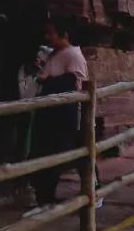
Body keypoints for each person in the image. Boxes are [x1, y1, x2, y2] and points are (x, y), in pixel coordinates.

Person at [24, 17, 97, 216]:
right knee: (50, 154)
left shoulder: (73, 55)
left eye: (51, 33)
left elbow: (74, 82)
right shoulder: (55, 54)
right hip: (50, 112)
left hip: (64, 114)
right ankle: (45, 198)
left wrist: (47, 81)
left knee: (65, 154)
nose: (48, 37)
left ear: (64, 34)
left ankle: (91, 192)